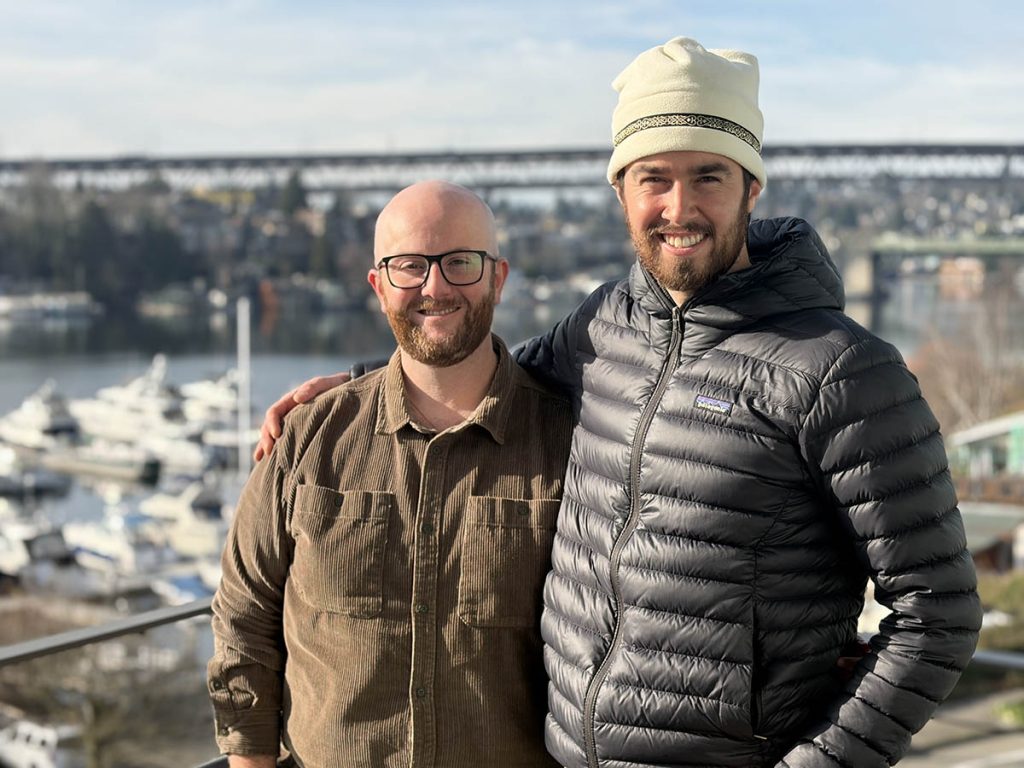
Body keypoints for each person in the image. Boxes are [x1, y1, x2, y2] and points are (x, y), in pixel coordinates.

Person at [255, 38, 982, 768]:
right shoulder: (606, 323)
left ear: (752, 188)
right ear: (620, 192)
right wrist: (362, 384)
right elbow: (495, 377)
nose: (679, 206)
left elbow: (938, 614)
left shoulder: (841, 370)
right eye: (652, 178)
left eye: (709, 176)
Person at [208, 180, 573, 767]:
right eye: (409, 267)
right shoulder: (307, 439)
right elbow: (244, 615)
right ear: (379, 286)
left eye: (460, 263)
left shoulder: (568, 443)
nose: (435, 286)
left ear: (498, 278)